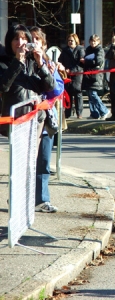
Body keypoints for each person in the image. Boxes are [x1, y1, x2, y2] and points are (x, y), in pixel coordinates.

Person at [0, 24, 56, 211]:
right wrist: (17, 61)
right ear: (10, 42)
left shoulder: (34, 61)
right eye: (16, 39)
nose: (20, 42)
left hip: (36, 120)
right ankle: (16, 202)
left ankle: (24, 202)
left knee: (31, 163)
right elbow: (4, 86)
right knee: (19, 164)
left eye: (24, 38)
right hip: (16, 121)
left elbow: (49, 87)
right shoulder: (4, 61)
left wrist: (41, 64)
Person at [29, 26, 61, 213]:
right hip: (25, 119)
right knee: (25, 160)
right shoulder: (21, 62)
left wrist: (46, 67)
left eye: (37, 40)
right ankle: (19, 196)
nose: (33, 43)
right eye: (30, 39)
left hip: (45, 117)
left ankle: (42, 199)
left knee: (43, 160)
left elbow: (56, 90)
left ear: (44, 44)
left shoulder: (49, 64)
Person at [81, 34, 110, 120]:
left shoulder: (100, 50)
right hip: (88, 75)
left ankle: (104, 111)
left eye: (95, 41)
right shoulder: (88, 49)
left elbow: (98, 61)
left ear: (98, 42)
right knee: (90, 95)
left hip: (95, 75)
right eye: (92, 41)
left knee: (93, 94)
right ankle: (94, 114)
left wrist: (86, 61)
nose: (93, 43)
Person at [58, 33, 85, 119]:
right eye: (69, 40)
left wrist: (72, 70)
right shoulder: (65, 51)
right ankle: (67, 113)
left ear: (76, 41)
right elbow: (60, 61)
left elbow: (81, 63)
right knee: (68, 94)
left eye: (72, 40)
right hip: (67, 75)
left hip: (77, 74)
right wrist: (63, 69)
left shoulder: (80, 49)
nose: (70, 42)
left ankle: (79, 113)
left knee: (78, 94)